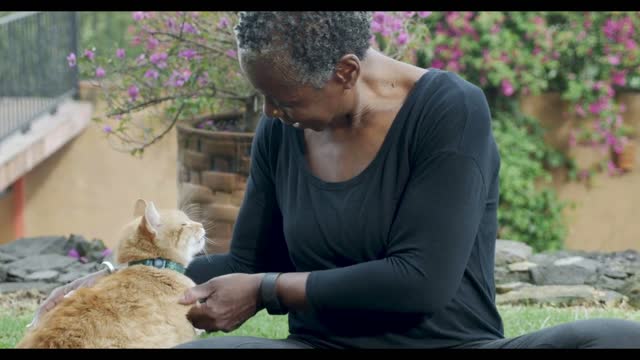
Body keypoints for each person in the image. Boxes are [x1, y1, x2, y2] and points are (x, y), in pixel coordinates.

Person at [32, 11, 640, 349]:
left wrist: (267, 290)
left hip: (452, 350)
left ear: (347, 70)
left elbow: (421, 282)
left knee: (615, 339)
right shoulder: (283, 130)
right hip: (323, 350)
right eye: (263, 96)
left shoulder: (451, 110)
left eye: (284, 97)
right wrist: (121, 279)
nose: (270, 114)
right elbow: (248, 256)